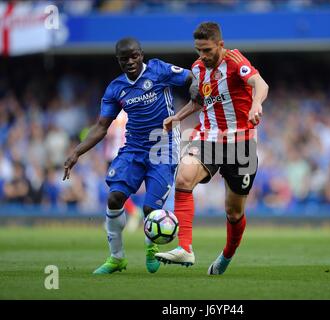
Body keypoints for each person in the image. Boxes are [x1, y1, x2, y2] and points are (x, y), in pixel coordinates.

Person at [63, 37, 192, 274]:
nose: (130, 61)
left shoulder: (159, 70)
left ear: (141, 54)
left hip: (163, 147)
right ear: (119, 61)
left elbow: (192, 77)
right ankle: (117, 258)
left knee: (150, 210)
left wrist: (196, 96)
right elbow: (102, 126)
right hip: (133, 148)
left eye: (134, 56)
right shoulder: (116, 88)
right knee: (114, 198)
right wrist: (76, 152)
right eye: (125, 59)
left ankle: (151, 249)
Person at [155, 22, 269, 275]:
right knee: (184, 177)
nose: (202, 56)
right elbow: (199, 101)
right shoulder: (197, 68)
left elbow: (261, 85)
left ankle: (228, 254)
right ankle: (185, 247)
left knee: (234, 210)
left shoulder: (234, 60)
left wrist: (256, 104)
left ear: (220, 45)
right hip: (208, 137)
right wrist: (178, 117)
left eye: (207, 50)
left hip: (241, 143)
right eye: (198, 50)